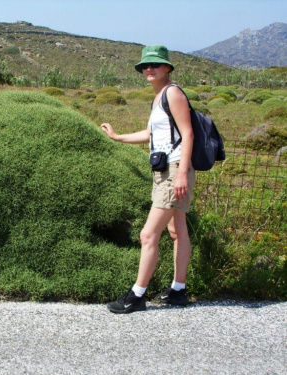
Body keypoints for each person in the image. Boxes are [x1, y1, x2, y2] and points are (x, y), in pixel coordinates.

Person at [101, 45, 195, 314]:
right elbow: (153, 135)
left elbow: (187, 135)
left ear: (167, 68)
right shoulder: (158, 98)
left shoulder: (173, 93)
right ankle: (178, 290)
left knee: (148, 234)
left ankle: (137, 296)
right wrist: (118, 137)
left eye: (155, 65)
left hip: (175, 170)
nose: (148, 69)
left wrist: (181, 175)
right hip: (166, 170)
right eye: (144, 66)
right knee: (177, 232)